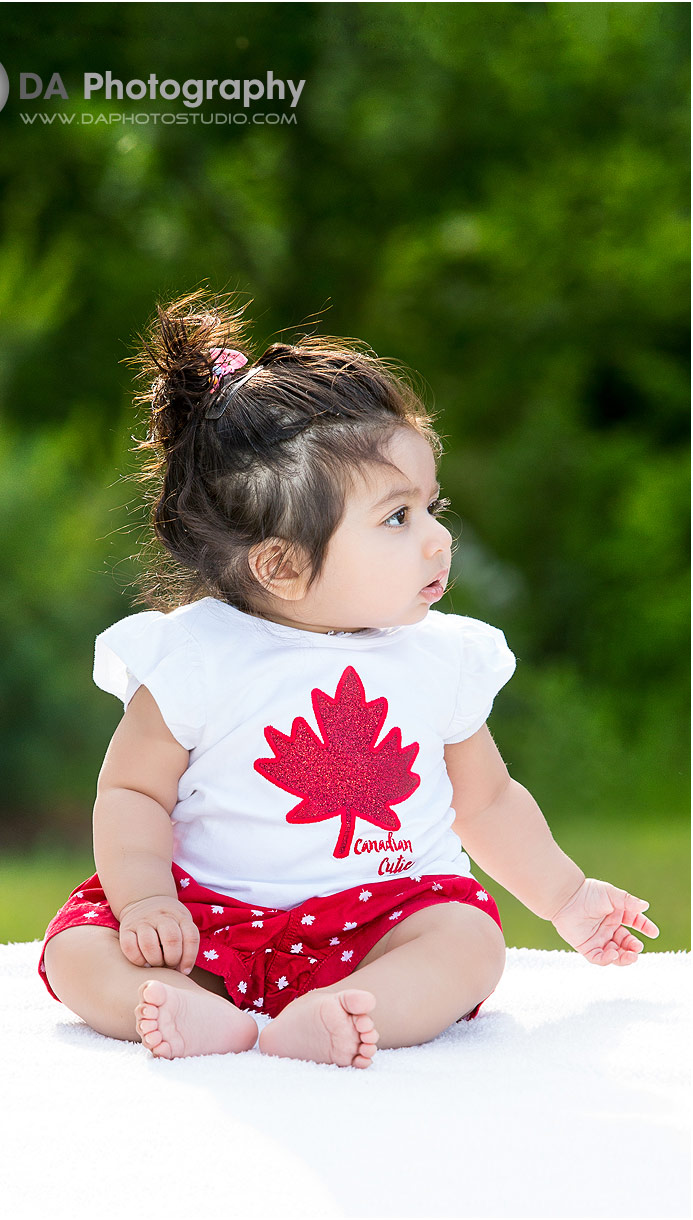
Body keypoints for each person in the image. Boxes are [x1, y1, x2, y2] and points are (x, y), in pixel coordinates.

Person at [39, 289, 659, 1069]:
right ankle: (184, 1008)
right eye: (397, 518)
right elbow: (133, 794)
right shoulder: (196, 656)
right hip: (206, 918)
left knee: (466, 940)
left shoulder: (439, 659)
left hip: (376, 924)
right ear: (283, 565)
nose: (438, 540)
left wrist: (567, 900)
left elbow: (487, 799)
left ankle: (346, 1007)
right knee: (80, 948)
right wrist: (147, 901)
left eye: (432, 507)